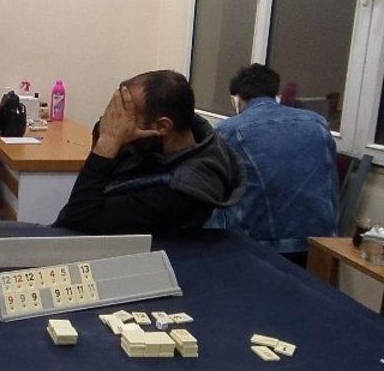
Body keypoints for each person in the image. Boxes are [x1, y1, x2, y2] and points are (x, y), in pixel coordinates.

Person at [54, 70, 245, 234]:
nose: (116, 122)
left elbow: (78, 220)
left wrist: (108, 142)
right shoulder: (155, 142)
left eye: (127, 115)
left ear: (162, 126)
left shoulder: (181, 191)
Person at [206, 64, 338, 266]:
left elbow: (210, 186)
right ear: (275, 93)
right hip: (320, 243)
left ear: (237, 99)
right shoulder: (318, 123)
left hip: (259, 247)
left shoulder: (229, 130)